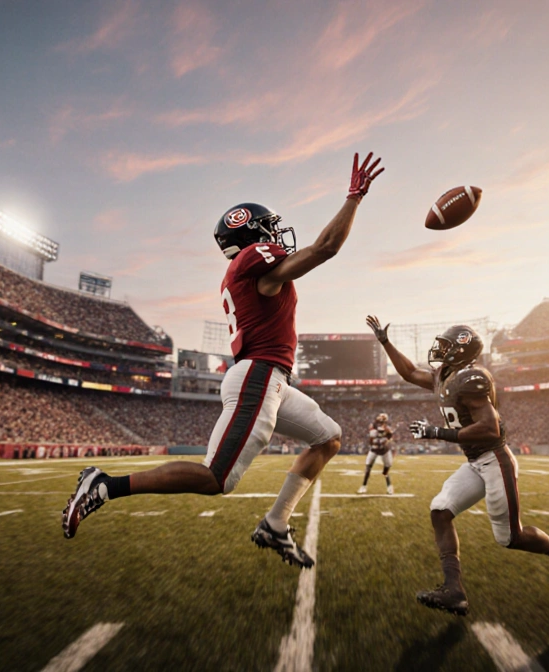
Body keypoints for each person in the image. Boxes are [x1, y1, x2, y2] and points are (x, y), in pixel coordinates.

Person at [61, 152, 385, 571]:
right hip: (258, 376)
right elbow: (325, 247)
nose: (276, 233)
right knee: (216, 479)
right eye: (268, 228)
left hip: (272, 379)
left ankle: (275, 523)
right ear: (251, 234)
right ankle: (104, 485)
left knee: (329, 438)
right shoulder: (251, 264)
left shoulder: (252, 269)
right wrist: (354, 198)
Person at [367, 316, 549, 616]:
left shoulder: (472, 379)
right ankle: (454, 591)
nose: (439, 352)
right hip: (474, 462)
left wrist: (437, 432)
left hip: (495, 460)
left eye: (446, 347)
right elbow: (408, 373)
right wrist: (385, 342)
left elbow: (490, 429)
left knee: (511, 538)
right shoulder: (444, 375)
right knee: (440, 510)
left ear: (462, 351)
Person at [358, 412, 395, 494]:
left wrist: (386, 440)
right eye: (380, 421)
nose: (381, 423)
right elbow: (371, 439)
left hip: (384, 451)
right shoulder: (373, 428)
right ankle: (363, 486)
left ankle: (389, 487)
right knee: (368, 468)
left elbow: (390, 437)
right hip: (374, 450)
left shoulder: (387, 430)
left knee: (386, 471)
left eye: (382, 421)